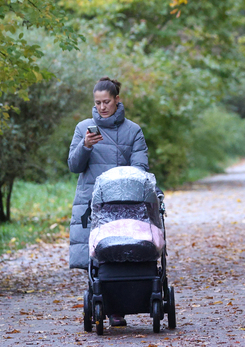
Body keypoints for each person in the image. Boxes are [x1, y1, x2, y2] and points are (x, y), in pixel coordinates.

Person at [68, 77, 150, 327]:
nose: (102, 107)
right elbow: (74, 165)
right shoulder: (84, 128)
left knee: (121, 250)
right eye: (97, 102)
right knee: (97, 254)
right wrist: (85, 147)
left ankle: (118, 307)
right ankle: (101, 301)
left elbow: (140, 168)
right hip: (92, 204)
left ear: (117, 100)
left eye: (106, 102)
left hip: (125, 203)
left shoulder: (133, 130)